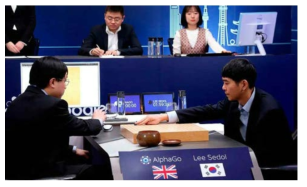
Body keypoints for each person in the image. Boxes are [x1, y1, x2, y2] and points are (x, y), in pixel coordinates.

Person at [136, 58, 295, 169]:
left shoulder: (269, 112)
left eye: (227, 83)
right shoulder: (233, 102)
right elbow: (207, 111)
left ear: (243, 84)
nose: (223, 88)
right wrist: (164, 116)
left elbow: (273, 156)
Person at [5, 57, 113, 180]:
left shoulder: (18, 101)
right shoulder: (54, 105)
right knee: (100, 170)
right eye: (65, 81)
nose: (65, 87)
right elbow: (84, 127)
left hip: (15, 169)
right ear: (52, 82)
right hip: (36, 171)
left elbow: (37, 137)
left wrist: (72, 149)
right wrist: (98, 119)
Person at [78, 6, 143, 56]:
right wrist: (92, 51)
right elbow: (82, 49)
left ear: (123, 18)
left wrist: (118, 52)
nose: (113, 22)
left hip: (122, 64)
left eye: (117, 19)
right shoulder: (96, 30)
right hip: (102, 64)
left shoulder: (128, 29)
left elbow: (138, 49)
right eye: (110, 18)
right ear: (105, 17)